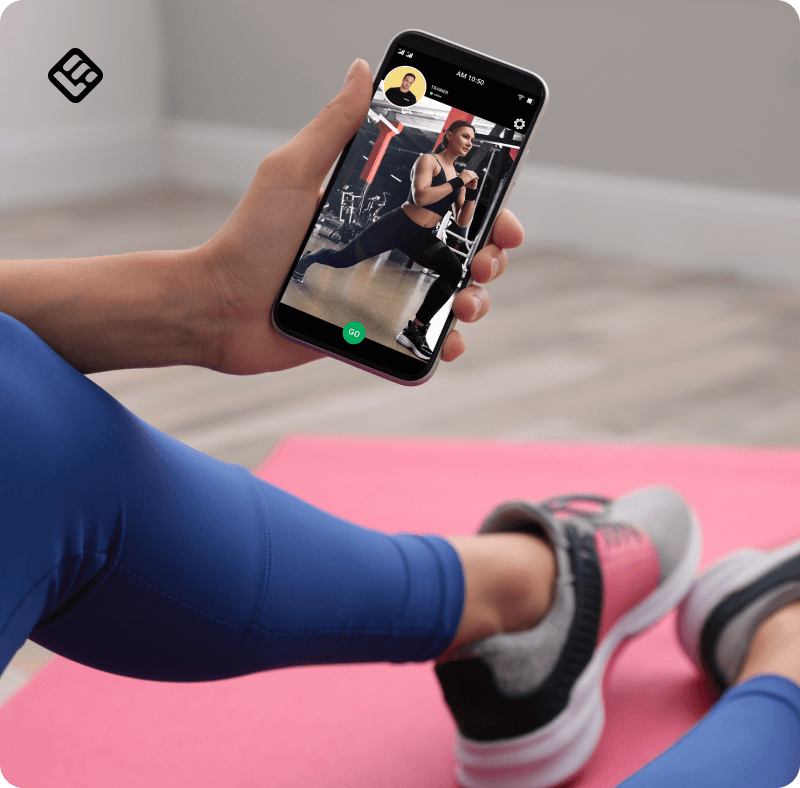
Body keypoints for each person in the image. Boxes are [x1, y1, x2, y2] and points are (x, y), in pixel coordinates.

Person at [1, 59, 799, 788]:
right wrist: (440, 193)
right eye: (454, 130)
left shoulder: (463, 165)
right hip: (410, 225)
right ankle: (788, 683)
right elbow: (420, 202)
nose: (457, 134)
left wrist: (205, 301)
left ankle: (511, 603)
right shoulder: (430, 162)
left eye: (461, 131)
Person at [292, 119, 479, 360]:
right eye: (465, 136)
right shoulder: (428, 161)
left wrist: (471, 191)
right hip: (395, 226)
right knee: (342, 260)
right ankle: (308, 258)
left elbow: (463, 220)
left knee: (454, 270)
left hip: (420, 237)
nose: (469, 143)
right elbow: (421, 196)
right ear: (450, 136)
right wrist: (459, 181)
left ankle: (415, 330)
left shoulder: (458, 177)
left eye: (472, 140)